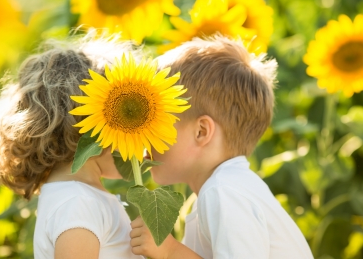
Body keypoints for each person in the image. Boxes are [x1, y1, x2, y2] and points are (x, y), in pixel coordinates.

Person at [130, 36, 314, 259]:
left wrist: (170, 252)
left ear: (201, 132)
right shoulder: (226, 188)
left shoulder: (225, 192)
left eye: (155, 121)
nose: (144, 132)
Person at [0, 32, 144, 259]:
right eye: (126, 115)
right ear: (93, 126)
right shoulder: (79, 202)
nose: (139, 132)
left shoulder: (75, 197)